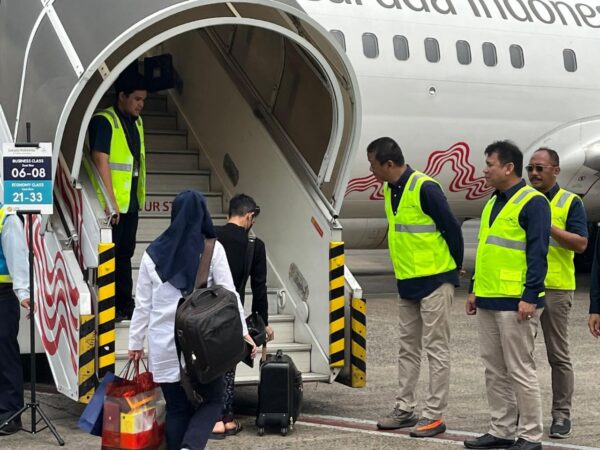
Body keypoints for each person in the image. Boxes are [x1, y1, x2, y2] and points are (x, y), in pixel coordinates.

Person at [128, 191, 256, 450]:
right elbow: (229, 295)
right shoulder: (211, 248)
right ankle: (191, 446)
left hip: (163, 344)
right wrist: (243, 332)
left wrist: (135, 343)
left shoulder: (152, 253)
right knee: (213, 400)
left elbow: (143, 305)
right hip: (200, 345)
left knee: (177, 408)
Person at [368, 137, 463, 438]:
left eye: (373, 165)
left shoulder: (425, 188)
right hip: (407, 281)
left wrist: (454, 266)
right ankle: (404, 408)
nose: (371, 171)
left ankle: (434, 414)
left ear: (389, 164)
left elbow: (452, 228)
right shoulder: (389, 188)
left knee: (436, 349)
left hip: (435, 280)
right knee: (407, 348)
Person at [464, 141, 550, 450]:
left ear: (508, 167)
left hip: (516, 301)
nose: (485, 170)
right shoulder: (493, 201)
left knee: (520, 369)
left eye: (490, 164)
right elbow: (486, 249)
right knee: (494, 369)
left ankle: (530, 435)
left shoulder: (533, 202)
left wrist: (530, 295)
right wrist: (474, 289)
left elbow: (538, 252)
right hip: (489, 297)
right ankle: (500, 429)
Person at [527, 148, 587, 439]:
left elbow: (580, 244)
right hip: (526, 287)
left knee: (558, 355)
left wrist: (548, 227)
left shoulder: (570, 202)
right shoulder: (522, 200)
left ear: (556, 171)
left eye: (540, 168)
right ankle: (524, 413)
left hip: (556, 288)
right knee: (520, 356)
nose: (534, 174)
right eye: (530, 168)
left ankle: (561, 414)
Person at [211, 194, 273, 438]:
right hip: (232, 315)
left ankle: (213, 417)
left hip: (206, 312)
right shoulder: (254, 245)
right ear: (249, 216)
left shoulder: (211, 236)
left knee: (209, 365)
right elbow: (259, 288)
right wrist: (263, 323)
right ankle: (226, 418)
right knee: (228, 366)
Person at [88, 69, 147, 321]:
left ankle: (124, 303)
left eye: (143, 100)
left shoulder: (137, 122)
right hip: (111, 205)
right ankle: (109, 305)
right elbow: (100, 158)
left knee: (125, 254)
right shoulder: (105, 121)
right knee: (110, 256)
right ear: (122, 96)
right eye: (137, 99)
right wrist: (111, 201)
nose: (141, 105)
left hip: (130, 202)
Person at [0, 207, 30, 436]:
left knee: (4, 353)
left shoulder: (6, 216)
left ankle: (10, 413)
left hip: (2, 293)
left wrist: (23, 291)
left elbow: (17, 253)